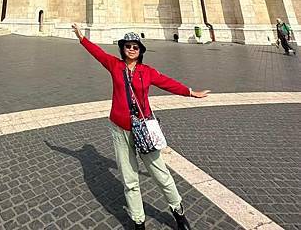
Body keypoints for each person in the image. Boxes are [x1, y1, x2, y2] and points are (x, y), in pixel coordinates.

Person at [72, 24, 210, 230]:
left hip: (144, 130)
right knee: (129, 180)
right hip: (120, 129)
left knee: (160, 173)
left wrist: (190, 92)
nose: (131, 49)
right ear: (123, 49)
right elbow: (98, 53)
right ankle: (138, 221)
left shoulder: (147, 72)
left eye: (135, 46)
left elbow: (167, 82)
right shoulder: (115, 66)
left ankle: (178, 212)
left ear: (140, 50)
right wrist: (81, 37)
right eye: (128, 46)